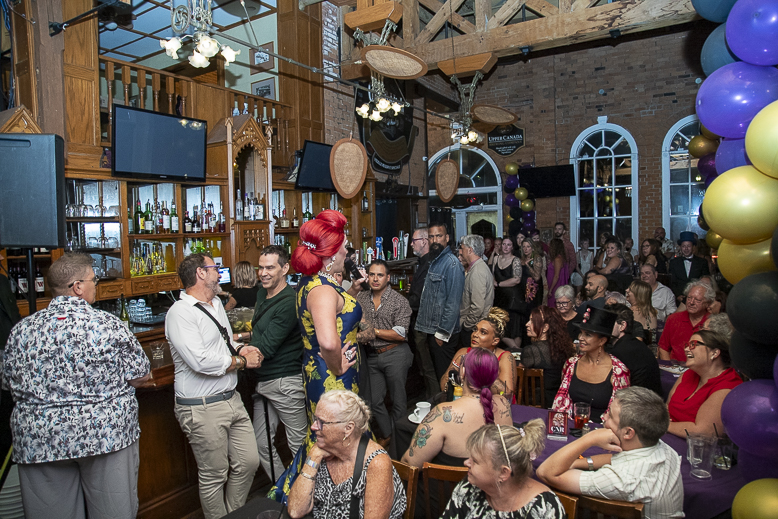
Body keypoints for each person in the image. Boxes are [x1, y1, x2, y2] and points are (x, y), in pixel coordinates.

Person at [2, 253, 150, 519]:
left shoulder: (22, 330)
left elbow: (8, 382)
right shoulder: (108, 325)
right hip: (104, 436)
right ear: (78, 286)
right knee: (113, 513)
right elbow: (140, 375)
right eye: (94, 280)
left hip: (40, 439)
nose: (96, 286)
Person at [269, 209, 366, 502]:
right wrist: (338, 367)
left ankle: (332, 495)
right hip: (330, 377)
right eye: (344, 246)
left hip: (322, 372)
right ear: (331, 254)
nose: (347, 251)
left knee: (328, 436)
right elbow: (327, 341)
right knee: (333, 438)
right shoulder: (321, 290)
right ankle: (313, 498)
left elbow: (337, 316)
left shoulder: (314, 282)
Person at [166, 253, 262, 518]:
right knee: (214, 474)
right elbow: (200, 361)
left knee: (249, 461)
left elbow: (224, 342)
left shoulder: (217, 303)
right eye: (214, 268)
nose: (219, 272)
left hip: (231, 398)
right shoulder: (180, 312)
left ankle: (233, 513)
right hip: (201, 406)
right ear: (200, 273)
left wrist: (241, 348)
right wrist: (242, 361)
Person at [538, 387, 684, 519]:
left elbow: (545, 473)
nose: (604, 417)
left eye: (611, 416)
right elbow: (618, 458)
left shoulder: (622, 479)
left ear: (628, 433)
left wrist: (589, 438)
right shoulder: (660, 446)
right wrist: (577, 463)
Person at [235, 246, 306, 483]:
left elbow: (265, 348)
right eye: (260, 267)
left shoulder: (289, 302)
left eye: (270, 268)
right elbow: (259, 333)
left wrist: (235, 352)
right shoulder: (261, 294)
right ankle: (283, 489)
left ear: (285, 268)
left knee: (299, 445)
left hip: (284, 381)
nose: (263, 273)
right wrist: (241, 339)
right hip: (264, 382)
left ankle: (310, 496)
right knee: (261, 444)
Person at [287, 390, 406, 519]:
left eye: (321, 422)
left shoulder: (377, 464)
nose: (314, 427)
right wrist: (313, 457)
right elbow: (295, 511)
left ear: (348, 428)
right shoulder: (321, 449)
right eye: (315, 419)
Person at [403, 348, 513, 467]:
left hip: (449, 480)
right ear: (495, 377)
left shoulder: (442, 413)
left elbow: (411, 464)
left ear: (463, 372)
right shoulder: (503, 404)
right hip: (490, 478)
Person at [441, 422, 567, 519]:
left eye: (475, 461)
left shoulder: (545, 508)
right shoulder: (469, 488)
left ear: (503, 473)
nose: (466, 463)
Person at [356, 259, 413, 447]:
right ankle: (388, 433)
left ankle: (398, 440)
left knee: (398, 400)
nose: (375, 279)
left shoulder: (399, 301)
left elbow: (400, 334)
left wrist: (373, 332)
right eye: (372, 274)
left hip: (395, 353)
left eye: (380, 275)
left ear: (388, 278)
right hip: (372, 355)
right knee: (373, 401)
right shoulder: (361, 297)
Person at [552, 307, 630, 422]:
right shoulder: (571, 364)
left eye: (588, 335)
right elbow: (563, 401)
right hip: (572, 425)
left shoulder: (618, 371)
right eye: (581, 333)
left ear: (602, 341)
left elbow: (621, 413)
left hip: (602, 428)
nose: (580, 338)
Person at [666, 330, 742, 438]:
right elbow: (667, 407)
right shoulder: (688, 374)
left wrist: (663, 425)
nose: (686, 349)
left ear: (714, 353)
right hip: (669, 437)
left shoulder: (727, 385)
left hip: (696, 446)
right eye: (687, 345)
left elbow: (703, 431)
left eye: (693, 344)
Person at [415, 222, 466, 379]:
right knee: (438, 377)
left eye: (439, 236)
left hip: (443, 334)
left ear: (447, 238)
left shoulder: (452, 264)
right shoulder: (435, 260)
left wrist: (441, 334)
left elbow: (453, 303)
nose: (435, 240)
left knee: (446, 378)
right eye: (431, 237)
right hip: (432, 330)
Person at [440, 308, 517, 401]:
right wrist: (456, 365)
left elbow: (507, 393)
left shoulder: (505, 357)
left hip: (495, 406)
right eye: (475, 329)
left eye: (483, 332)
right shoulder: (463, 352)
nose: (475, 334)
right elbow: (444, 386)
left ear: (495, 341)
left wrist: (479, 367)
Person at [521, 306, 576, 407]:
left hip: (537, 404)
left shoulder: (531, 351)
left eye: (532, 321)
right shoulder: (563, 348)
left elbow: (519, 377)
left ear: (545, 328)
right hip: (559, 401)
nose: (527, 324)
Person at [407, 227, 439, 399]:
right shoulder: (424, 262)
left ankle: (434, 400)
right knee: (424, 365)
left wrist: (401, 304)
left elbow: (420, 298)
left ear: (424, 241)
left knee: (427, 366)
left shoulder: (429, 264)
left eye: (414, 241)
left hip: (424, 321)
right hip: (420, 320)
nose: (411, 244)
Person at [606, 304, 663, 396]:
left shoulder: (621, 351)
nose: (603, 327)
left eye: (608, 322)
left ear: (622, 325)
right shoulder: (635, 344)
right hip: (650, 400)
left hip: (637, 402)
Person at [658, 281, 711, 362]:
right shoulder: (673, 319)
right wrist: (669, 367)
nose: (691, 302)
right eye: (689, 298)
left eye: (697, 300)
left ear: (707, 303)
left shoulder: (712, 322)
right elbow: (663, 348)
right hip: (675, 366)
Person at [458, 234, 495, 348]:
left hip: (474, 327)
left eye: (462, 248)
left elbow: (478, 306)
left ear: (470, 250)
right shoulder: (476, 267)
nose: (461, 251)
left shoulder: (478, 271)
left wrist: (467, 326)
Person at [491, 235, 524, 349]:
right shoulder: (496, 258)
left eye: (508, 245)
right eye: (504, 244)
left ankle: (516, 354)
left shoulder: (516, 260)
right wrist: (494, 282)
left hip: (513, 299)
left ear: (512, 247)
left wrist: (499, 284)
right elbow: (492, 275)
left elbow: (517, 279)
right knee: (500, 329)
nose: (505, 247)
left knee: (515, 329)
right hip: (499, 298)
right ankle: (518, 352)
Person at [668, 231, 710, 299]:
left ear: (693, 247)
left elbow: (705, 282)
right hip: (679, 298)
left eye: (688, 246)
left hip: (697, 297)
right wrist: (678, 295)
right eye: (683, 246)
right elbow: (672, 282)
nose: (686, 248)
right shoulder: (674, 262)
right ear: (680, 247)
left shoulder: (702, 262)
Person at [546, 238, 570, 307]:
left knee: (553, 306)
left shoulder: (558, 259)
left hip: (556, 287)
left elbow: (556, 276)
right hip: (554, 286)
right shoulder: (557, 258)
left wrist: (550, 290)